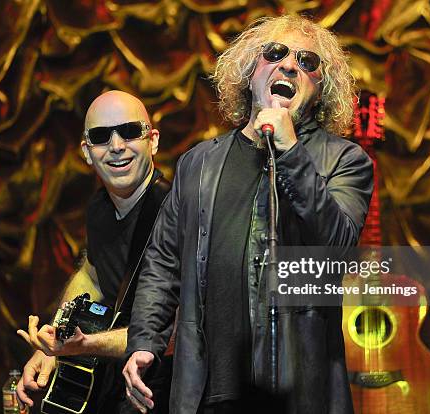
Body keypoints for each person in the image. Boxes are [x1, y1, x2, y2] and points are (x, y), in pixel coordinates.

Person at [122, 15, 374, 414]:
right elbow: (163, 262)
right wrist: (143, 343)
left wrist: (291, 152)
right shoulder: (198, 163)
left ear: (321, 89)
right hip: (206, 390)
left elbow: (337, 246)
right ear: (249, 71)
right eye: (275, 53)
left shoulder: (345, 161)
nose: (290, 65)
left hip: (296, 393)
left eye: (308, 62)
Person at [16, 90, 172, 413]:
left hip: (160, 391)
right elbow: (92, 274)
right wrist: (53, 345)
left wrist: (82, 346)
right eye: (102, 137)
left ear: (153, 140)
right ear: (87, 152)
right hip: (109, 385)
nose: (116, 146)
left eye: (129, 131)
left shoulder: (173, 212)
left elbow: (176, 334)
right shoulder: (100, 208)